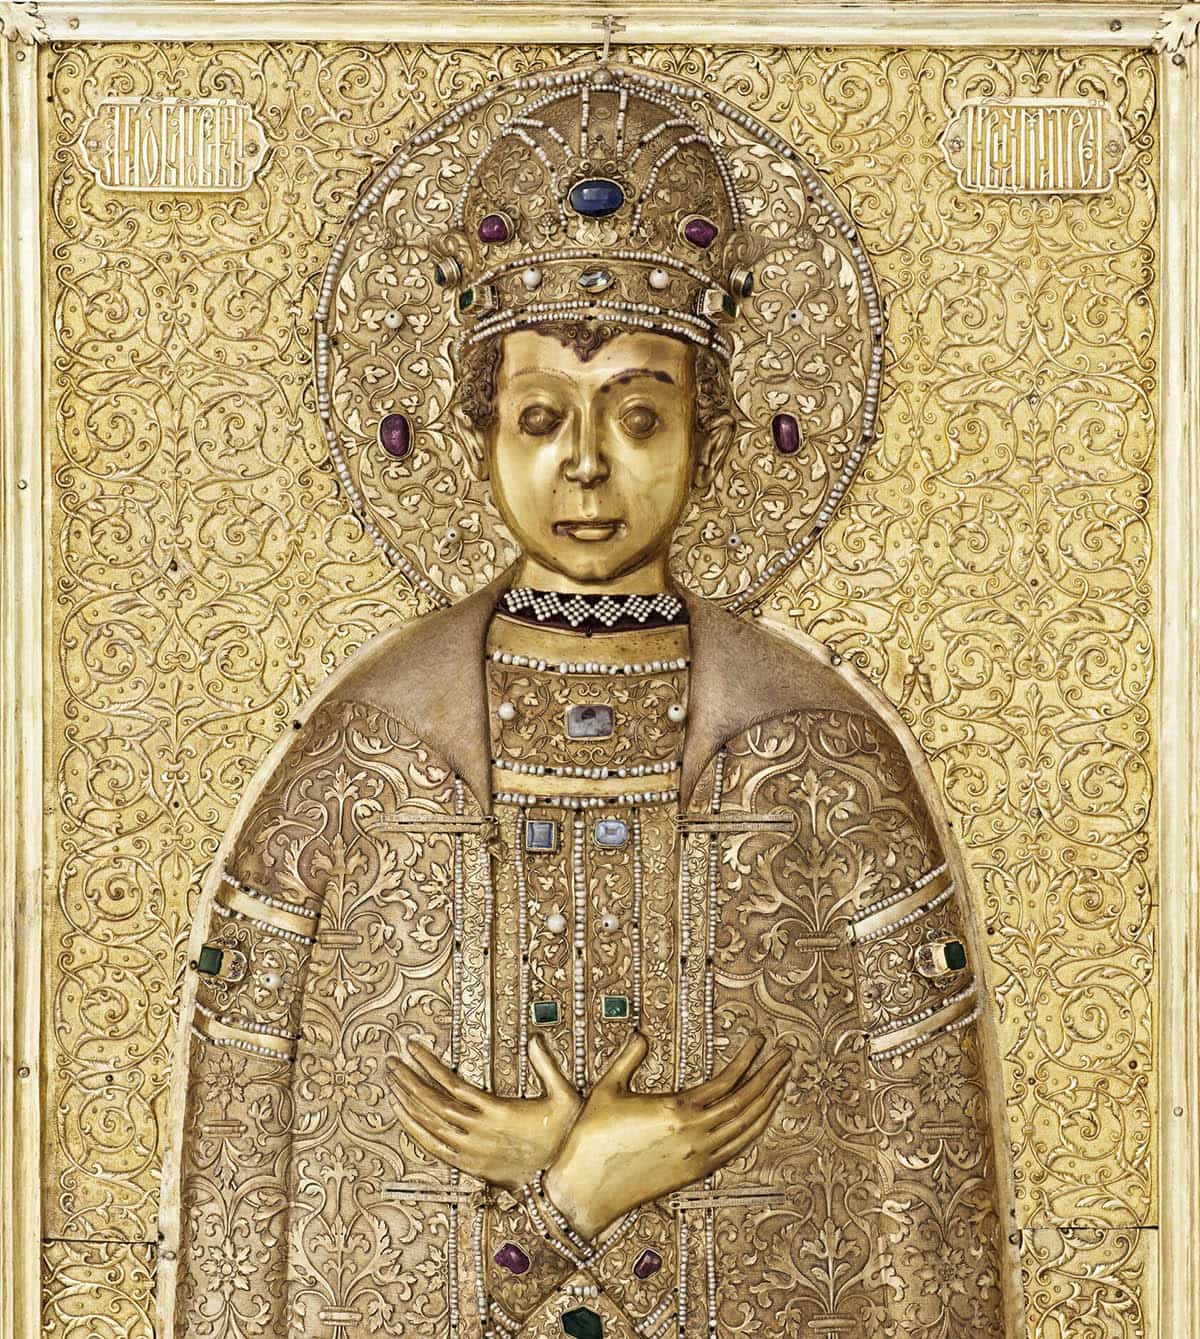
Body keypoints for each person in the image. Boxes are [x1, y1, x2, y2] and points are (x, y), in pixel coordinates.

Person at [159, 64, 1017, 1339]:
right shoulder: (358, 762)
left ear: (712, 439)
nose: (586, 466)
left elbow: (922, 1215)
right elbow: (261, 1216)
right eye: (539, 416)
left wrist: (584, 1178)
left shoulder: (825, 760)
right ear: (480, 435)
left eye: (641, 417)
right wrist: (580, 1187)